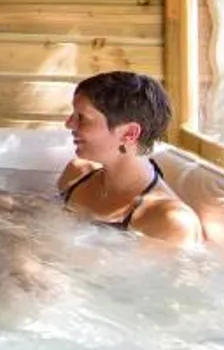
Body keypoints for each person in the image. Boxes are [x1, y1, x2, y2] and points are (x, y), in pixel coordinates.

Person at [57, 71, 201, 246]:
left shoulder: (170, 221)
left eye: (82, 118)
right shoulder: (75, 175)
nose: (69, 124)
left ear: (129, 133)